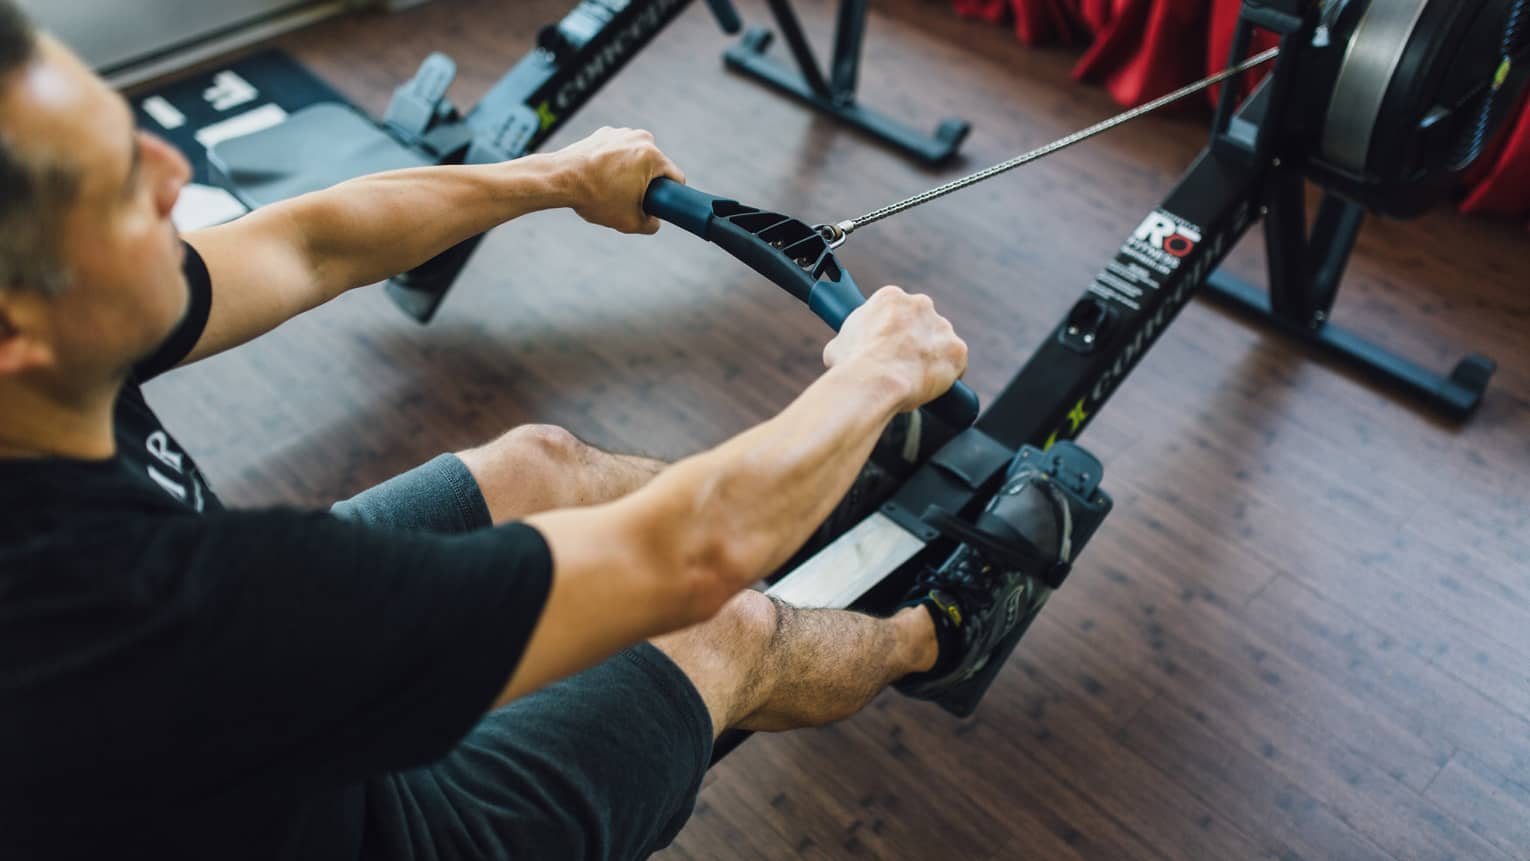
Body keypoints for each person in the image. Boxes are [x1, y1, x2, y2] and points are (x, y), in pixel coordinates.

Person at [0, 4, 1069, 858]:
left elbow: (311, 242)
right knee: (724, 626)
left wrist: (554, 178)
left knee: (536, 464)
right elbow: (682, 561)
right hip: (378, 832)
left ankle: (807, 481)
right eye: (117, 187)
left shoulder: (47, 338)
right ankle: (939, 637)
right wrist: (877, 376)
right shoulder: (126, 610)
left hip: (245, 735)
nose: (174, 173)